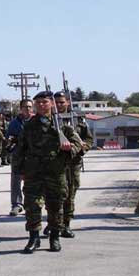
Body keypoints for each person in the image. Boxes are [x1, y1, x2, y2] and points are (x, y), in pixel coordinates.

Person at [13, 91, 82, 254]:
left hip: (55, 171)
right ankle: (34, 237)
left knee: (55, 205)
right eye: (38, 103)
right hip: (33, 172)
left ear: (51, 103)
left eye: (45, 102)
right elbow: (20, 149)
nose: (41, 105)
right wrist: (19, 170)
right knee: (32, 206)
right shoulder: (29, 125)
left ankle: (54, 237)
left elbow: (78, 144)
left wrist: (69, 148)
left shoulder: (62, 124)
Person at [53, 91, 93, 237]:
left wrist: (83, 148)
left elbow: (89, 140)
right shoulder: (50, 119)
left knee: (70, 194)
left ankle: (66, 224)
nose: (59, 105)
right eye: (56, 102)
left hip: (73, 162)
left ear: (68, 103)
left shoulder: (77, 120)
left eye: (62, 102)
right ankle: (55, 222)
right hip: (54, 163)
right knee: (54, 195)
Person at [6, 99, 34, 216]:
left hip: (33, 156)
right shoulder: (14, 123)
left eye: (29, 107)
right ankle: (16, 205)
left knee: (32, 180)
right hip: (18, 155)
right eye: (25, 107)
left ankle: (30, 204)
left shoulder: (36, 121)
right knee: (16, 180)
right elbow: (9, 138)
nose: (27, 109)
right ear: (20, 108)